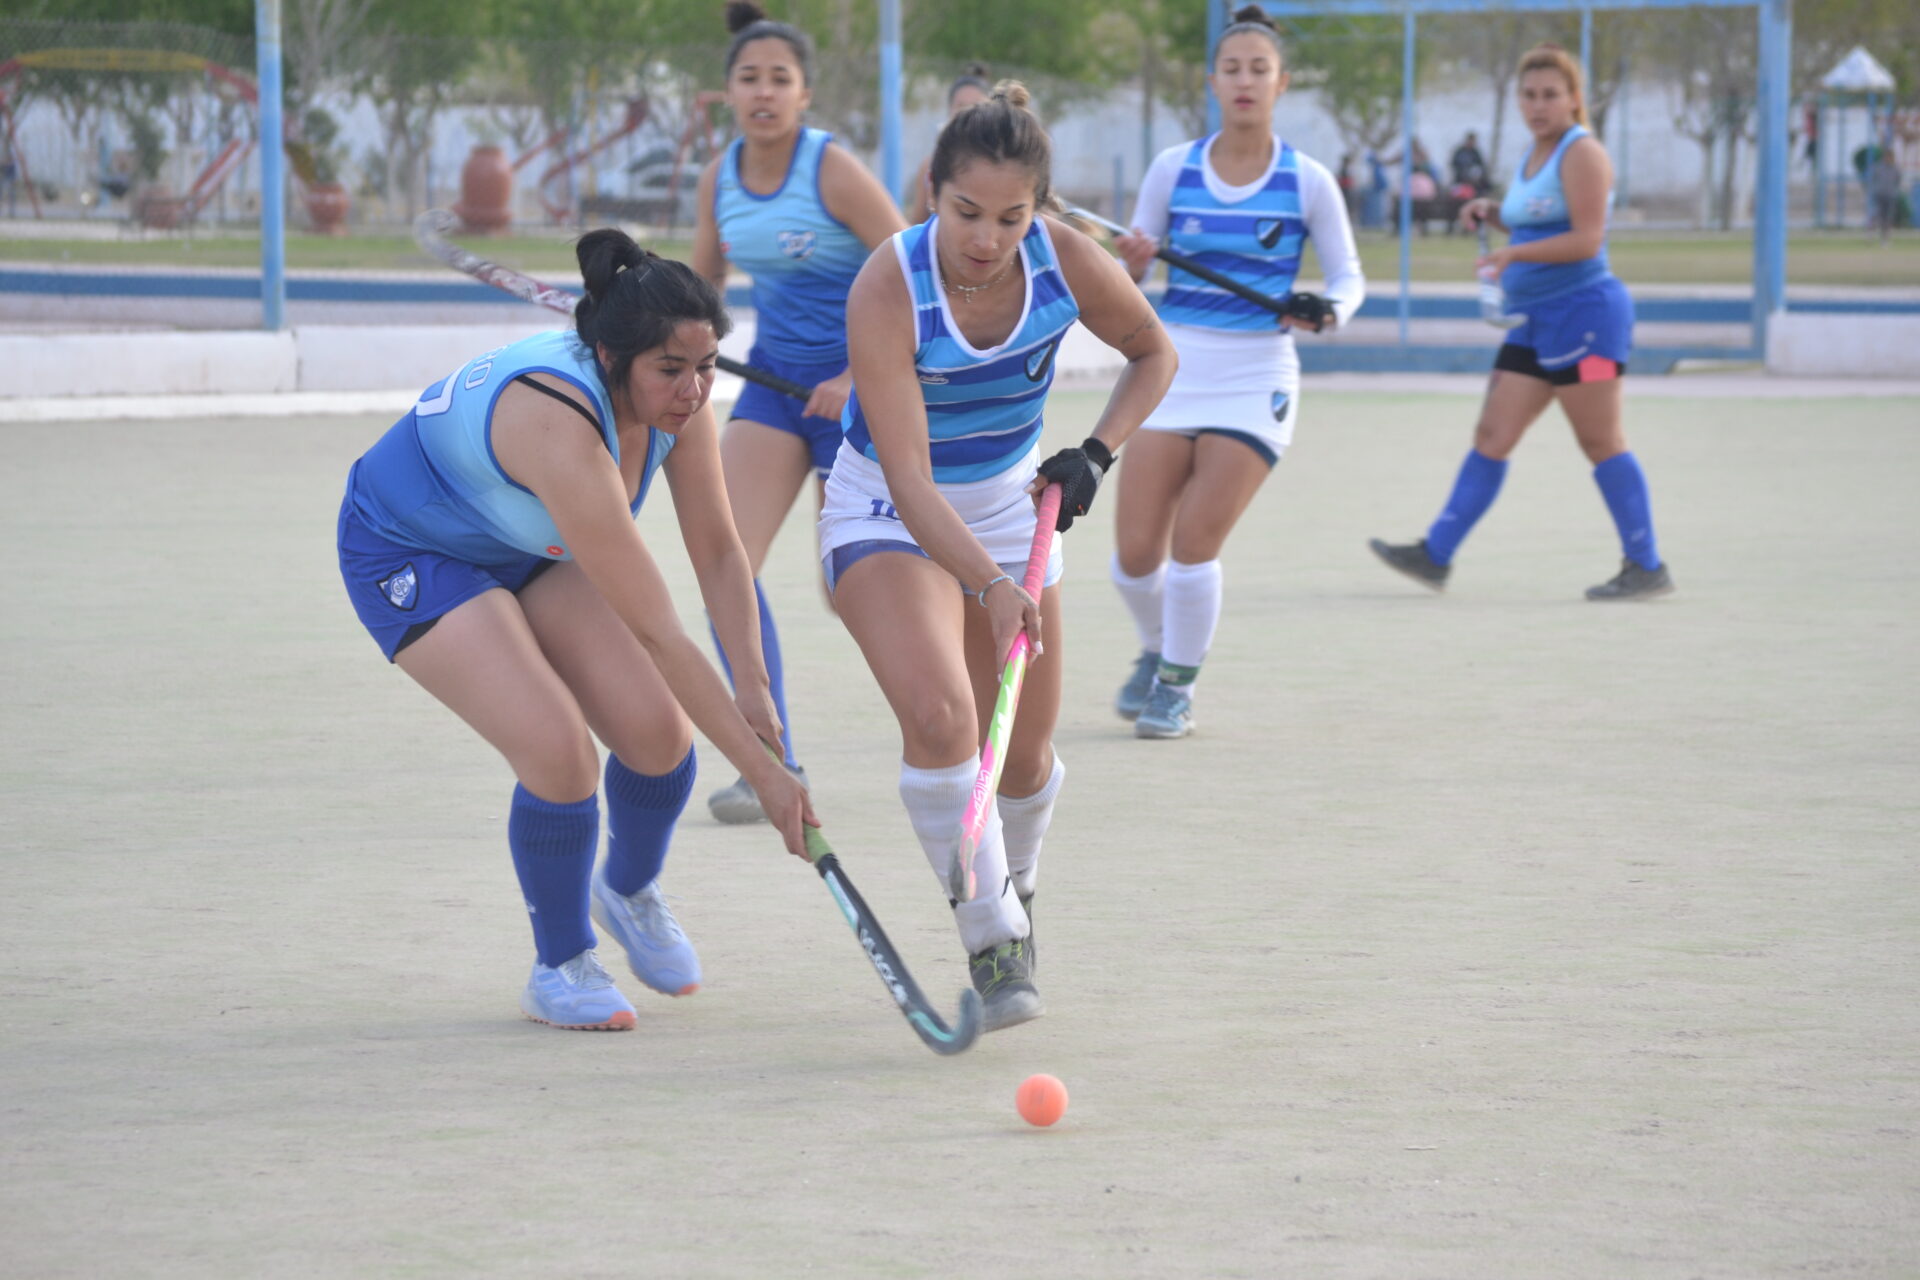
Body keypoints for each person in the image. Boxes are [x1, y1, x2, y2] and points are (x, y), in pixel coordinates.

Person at [336, 228, 817, 1031]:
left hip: (534, 542)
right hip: (412, 546)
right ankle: (559, 966)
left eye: (707, 366)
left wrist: (755, 692)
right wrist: (763, 774)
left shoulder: (681, 404)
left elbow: (720, 552)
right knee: (558, 751)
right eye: (671, 369)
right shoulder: (559, 424)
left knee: (659, 736)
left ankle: (626, 891)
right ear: (609, 358)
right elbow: (660, 632)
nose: (694, 390)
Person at [825, 81, 1177, 1031]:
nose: (987, 238)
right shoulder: (888, 285)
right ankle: (990, 935)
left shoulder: (1066, 260)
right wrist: (985, 585)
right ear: (931, 193)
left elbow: (1154, 353)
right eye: (966, 211)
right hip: (888, 510)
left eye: (1011, 217)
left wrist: (1096, 451)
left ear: (1040, 210)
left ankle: (1016, 889)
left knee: (1022, 758)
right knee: (942, 717)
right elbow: (908, 476)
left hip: (1013, 509)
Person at [1106, 5, 1364, 740]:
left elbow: (1347, 278)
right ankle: (1158, 649)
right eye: (1232, 69)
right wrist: (1133, 264)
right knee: (1133, 558)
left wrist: (1328, 310)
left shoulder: (1308, 181)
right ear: (1212, 81)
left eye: (1260, 69)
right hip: (1173, 367)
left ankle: (1176, 689)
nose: (1245, 81)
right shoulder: (1173, 168)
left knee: (1194, 544)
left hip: (1257, 376)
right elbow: (1129, 281)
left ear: (1282, 83)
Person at [692, 1, 907, 825]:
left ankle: (952, 727)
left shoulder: (832, 170)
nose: (764, 93)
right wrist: (649, 322)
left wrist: (857, 374)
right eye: (749, 79)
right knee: (726, 568)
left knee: (847, 589)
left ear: (805, 94)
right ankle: (769, 759)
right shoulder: (719, 178)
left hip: (863, 389)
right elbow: (703, 293)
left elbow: (913, 275)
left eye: (779, 79)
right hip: (775, 388)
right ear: (728, 92)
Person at [1368, 44, 1674, 601]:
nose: (1538, 105)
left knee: (1600, 440)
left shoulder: (1583, 153)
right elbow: (1540, 224)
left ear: (1574, 99)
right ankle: (1435, 555)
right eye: (1529, 95)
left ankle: (1646, 565)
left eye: (1550, 95)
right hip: (1534, 321)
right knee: (1493, 435)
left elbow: (1586, 240)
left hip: (1586, 319)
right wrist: (1491, 213)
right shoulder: (1534, 153)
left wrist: (1514, 255)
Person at [905, 63, 995, 221]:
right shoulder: (931, 165)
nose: (967, 113)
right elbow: (916, 223)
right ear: (949, 111)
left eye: (976, 106)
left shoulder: (1003, 162)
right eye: (961, 106)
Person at [1450, 130, 1488, 195]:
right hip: (1460, 178)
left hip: (1474, 179)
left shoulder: (1475, 153)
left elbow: (1481, 166)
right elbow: (1454, 164)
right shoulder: (1459, 152)